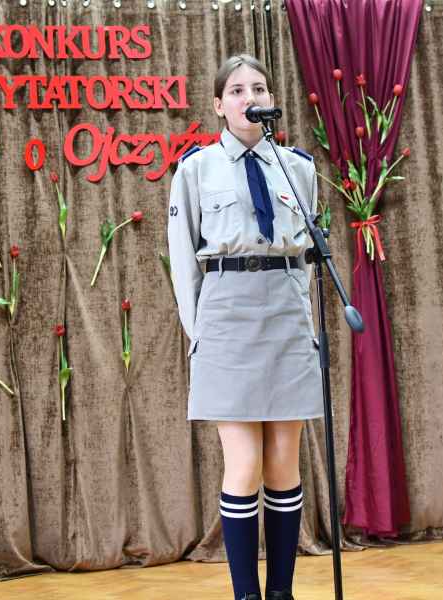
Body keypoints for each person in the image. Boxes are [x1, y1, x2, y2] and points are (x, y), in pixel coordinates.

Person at [167, 54, 324, 600]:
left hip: (285, 313)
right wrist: (200, 334)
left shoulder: (297, 168)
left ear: (270, 100)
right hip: (226, 314)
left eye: (258, 88)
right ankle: (246, 596)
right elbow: (182, 259)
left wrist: (301, 315)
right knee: (245, 464)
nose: (249, 98)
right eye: (236, 90)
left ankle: (281, 592)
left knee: (283, 462)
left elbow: (306, 256)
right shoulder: (196, 169)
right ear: (218, 105)